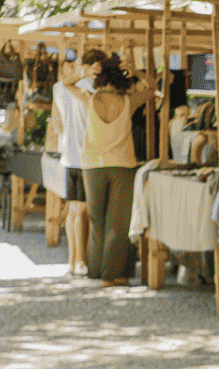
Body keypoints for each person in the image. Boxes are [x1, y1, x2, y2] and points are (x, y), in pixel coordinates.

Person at [60, 53, 157, 287]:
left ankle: (98, 271)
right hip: (123, 165)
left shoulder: (89, 98)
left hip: (92, 166)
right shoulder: (129, 100)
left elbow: (65, 84)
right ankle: (113, 275)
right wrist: (137, 72)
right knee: (118, 223)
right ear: (120, 77)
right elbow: (153, 88)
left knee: (98, 220)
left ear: (100, 77)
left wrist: (84, 72)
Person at [54, 57, 96, 276]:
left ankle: (73, 262)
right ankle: (80, 261)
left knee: (73, 211)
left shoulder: (58, 89)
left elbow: (57, 124)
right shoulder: (86, 88)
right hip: (82, 157)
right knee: (80, 211)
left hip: (69, 156)